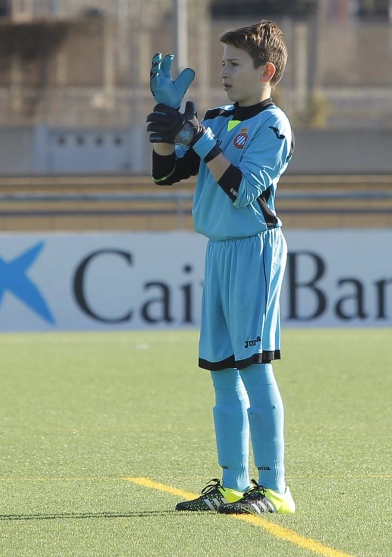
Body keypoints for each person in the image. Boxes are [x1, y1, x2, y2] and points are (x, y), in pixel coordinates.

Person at [145, 20, 295, 515]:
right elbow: (167, 174)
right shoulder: (218, 117)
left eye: (234, 64)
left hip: (254, 248)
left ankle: (273, 488)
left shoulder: (273, 126)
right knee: (222, 373)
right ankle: (233, 484)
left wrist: (201, 138)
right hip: (220, 250)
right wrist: (165, 129)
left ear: (266, 70)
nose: (223, 71)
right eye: (223, 62)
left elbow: (242, 189)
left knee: (254, 368)